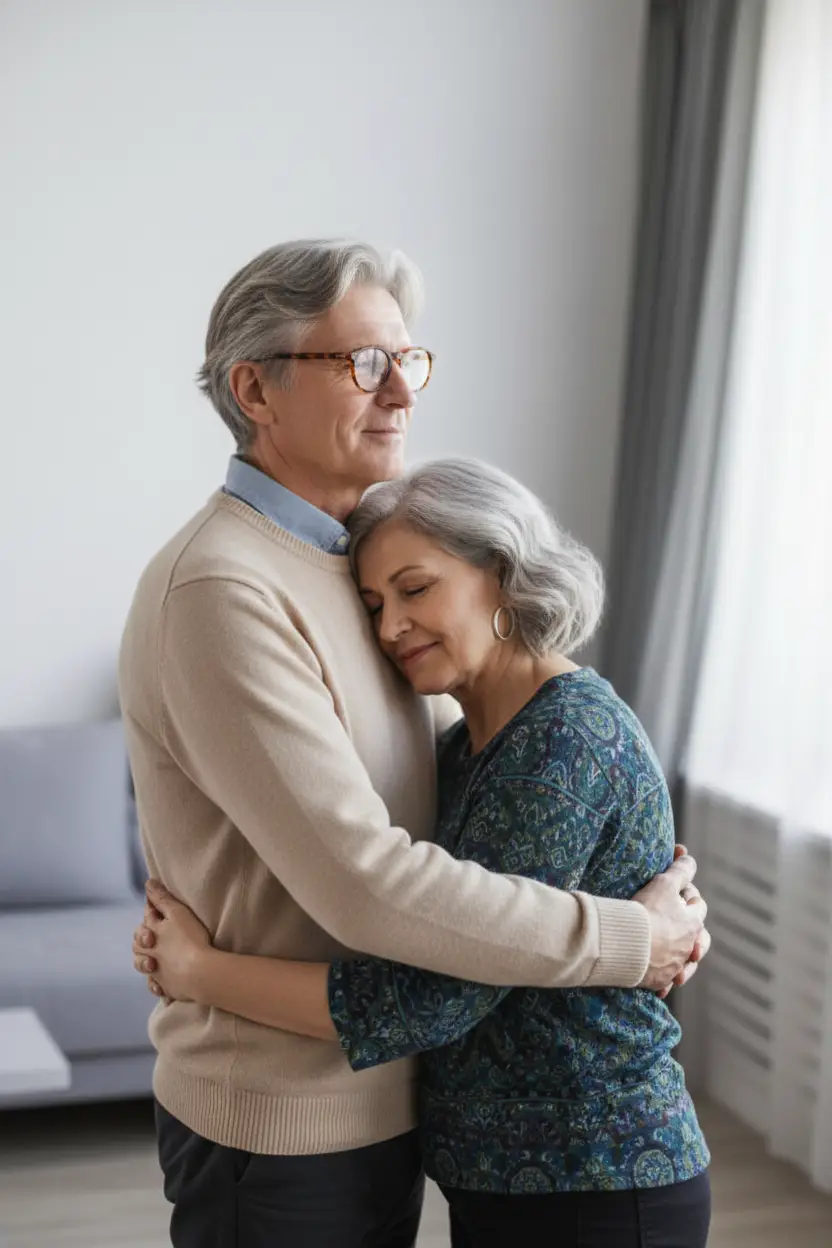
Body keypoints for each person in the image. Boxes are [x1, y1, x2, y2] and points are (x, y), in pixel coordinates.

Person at [121, 240, 708, 1248]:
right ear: (253, 388)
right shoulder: (226, 588)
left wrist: (642, 910)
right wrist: (626, 939)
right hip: (283, 1127)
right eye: (360, 363)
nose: (400, 392)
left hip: (386, 1107)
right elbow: (368, 880)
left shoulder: (345, 565)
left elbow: (464, 812)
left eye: (408, 360)